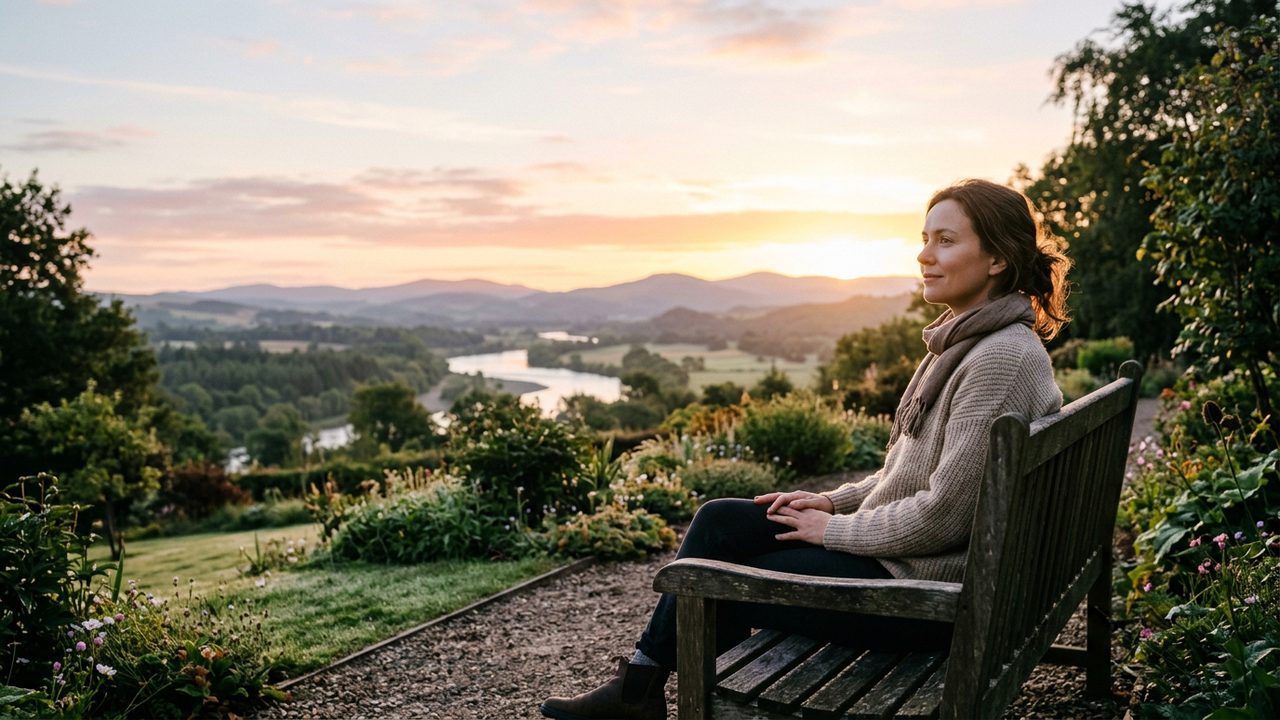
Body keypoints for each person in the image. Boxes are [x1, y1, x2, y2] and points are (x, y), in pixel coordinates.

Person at [539, 179, 1072, 720]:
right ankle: (644, 690)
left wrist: (834, 532)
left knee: (719, 567)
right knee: (721, 522)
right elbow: (907, 475)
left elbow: (947, 513)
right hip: (916, 571)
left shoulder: (998, 358)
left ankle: (680, 697)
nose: (923, 255)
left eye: (945, 241)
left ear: (998, 259)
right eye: (924, 237)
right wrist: (832, 503)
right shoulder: (966, 341)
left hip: (922, 597)